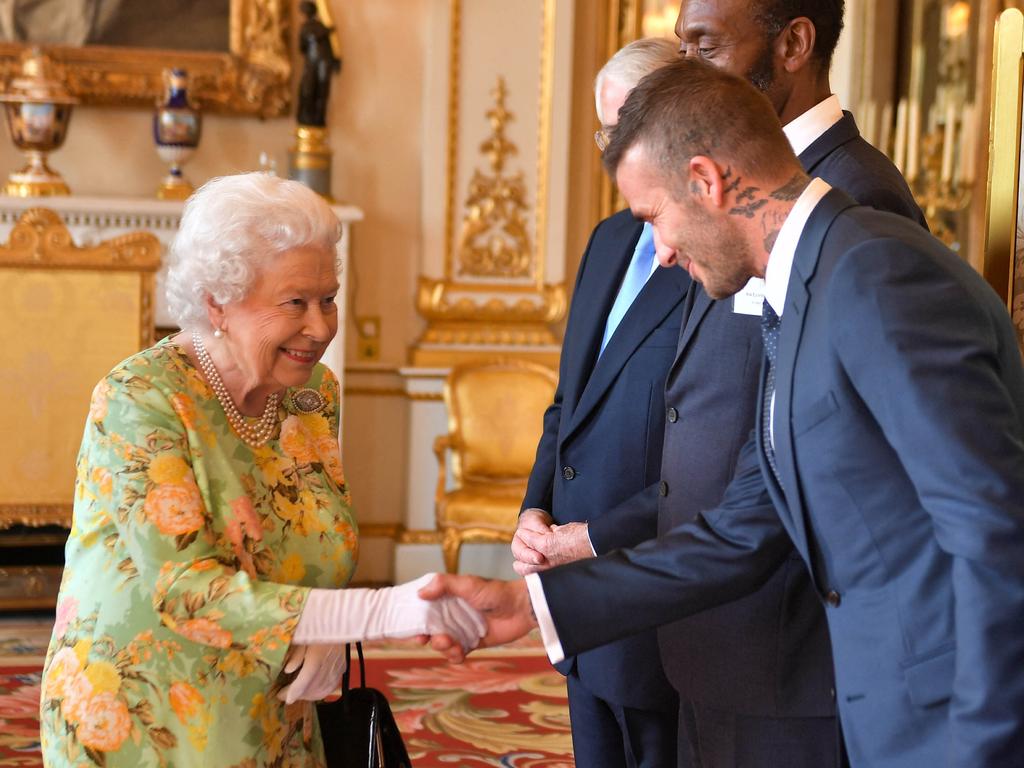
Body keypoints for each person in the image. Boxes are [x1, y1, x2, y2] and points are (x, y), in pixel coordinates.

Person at [423, 58, 1024, 767]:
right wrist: (536, 608)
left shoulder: (874, 274)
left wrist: (981, 748)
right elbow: (743, 529)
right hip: (878, 719)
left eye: (654, 219)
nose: (663, 254)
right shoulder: (801, 287)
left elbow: (995, 533)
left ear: (706, 181)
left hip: (944, 732)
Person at [514, 2, 925, 766]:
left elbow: (805, 469)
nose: (685, 75)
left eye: (704, 47)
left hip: (786, 653)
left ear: (794, 43)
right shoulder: (741, 195)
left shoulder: (853, 198)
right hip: (713, 628)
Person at [39, 173, 484, 767]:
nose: (322, 327)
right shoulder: (140, 396)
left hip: (273, 707)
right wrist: (382, 612)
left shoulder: (311, 394)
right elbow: (184, 588)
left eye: (329, 297)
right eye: (294, 302)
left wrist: (325, 626)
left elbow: (317, 540)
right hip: (144, 713)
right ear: (216, 302)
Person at [516, 36, 684, 768]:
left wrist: (594, 536)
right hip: (578, 594)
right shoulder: (610, 239)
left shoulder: (713, 255)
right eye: (603, 130)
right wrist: (534, 509)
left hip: (657, 592)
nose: (610, 149)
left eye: (624, 128)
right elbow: (569, 403)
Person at [297, 0, 340, 127]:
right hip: (313, 63)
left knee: (321, 90)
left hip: (322, 63)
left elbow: (302, 47)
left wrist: (336, 60)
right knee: (308, 90)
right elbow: (302, 47)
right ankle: (307, 117)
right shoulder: (316, 28)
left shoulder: (320, 27)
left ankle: (318, 118)